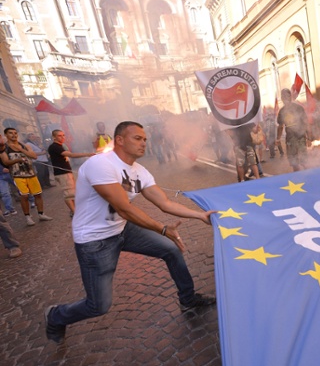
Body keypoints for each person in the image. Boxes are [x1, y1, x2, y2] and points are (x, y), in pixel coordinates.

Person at [44, 121, 217, 345]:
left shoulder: (139, 171)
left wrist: (199, 215)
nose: (144, 143)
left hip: (122, 229)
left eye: (145, 139)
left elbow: (163, 202)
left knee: (171, 250)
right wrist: (163, 229)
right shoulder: (100, 164)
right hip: (95, 241)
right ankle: (56, 315)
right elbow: (124, 208)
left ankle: (188, 299)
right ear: (119, 140)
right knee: (98, 305)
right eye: (137, 138)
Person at [0, 128, 53, 226]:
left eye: (15, 133)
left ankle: (41, 214)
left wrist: (20, 149)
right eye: (10, 133)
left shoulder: (25, 145)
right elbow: (6, 162)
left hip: (31, 173)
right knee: (24, 196)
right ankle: (27, 217)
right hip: (18, 175)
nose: (14, 135)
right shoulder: (4, 148)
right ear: (6, 135)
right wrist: (18, 160)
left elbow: (34, 156)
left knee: (38, 194)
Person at [48, 130, 94, 217]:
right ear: (54, 137)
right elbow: (70, 155)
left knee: (72, 192)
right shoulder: (54, 147)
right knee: (68, 194)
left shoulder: (59, 146)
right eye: (59, 136)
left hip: (66, 171)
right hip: (62, 173)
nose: (62, 137)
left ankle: (75, 211)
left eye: (63, 135)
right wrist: (87, 154)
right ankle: (75, 213)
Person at [277, 88, 309, 171]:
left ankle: (301, 177)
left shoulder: (284, 110)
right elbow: (305, 122)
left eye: (285, 96)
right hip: (296, 138)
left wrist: (278, 138)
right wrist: (309, 137)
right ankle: (306, 176)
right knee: (300, 160)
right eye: (284, 96)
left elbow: (280, 127)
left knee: (297, 161)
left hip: (295, 138)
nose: (285, 98)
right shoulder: (296, 108)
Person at [0, 136, 17, 217]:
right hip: (1, 175)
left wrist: (8, 167)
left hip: (10, 172)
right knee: (4, 193)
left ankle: (32, 200)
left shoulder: (7, 147)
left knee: (20, 187)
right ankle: (10, 209)